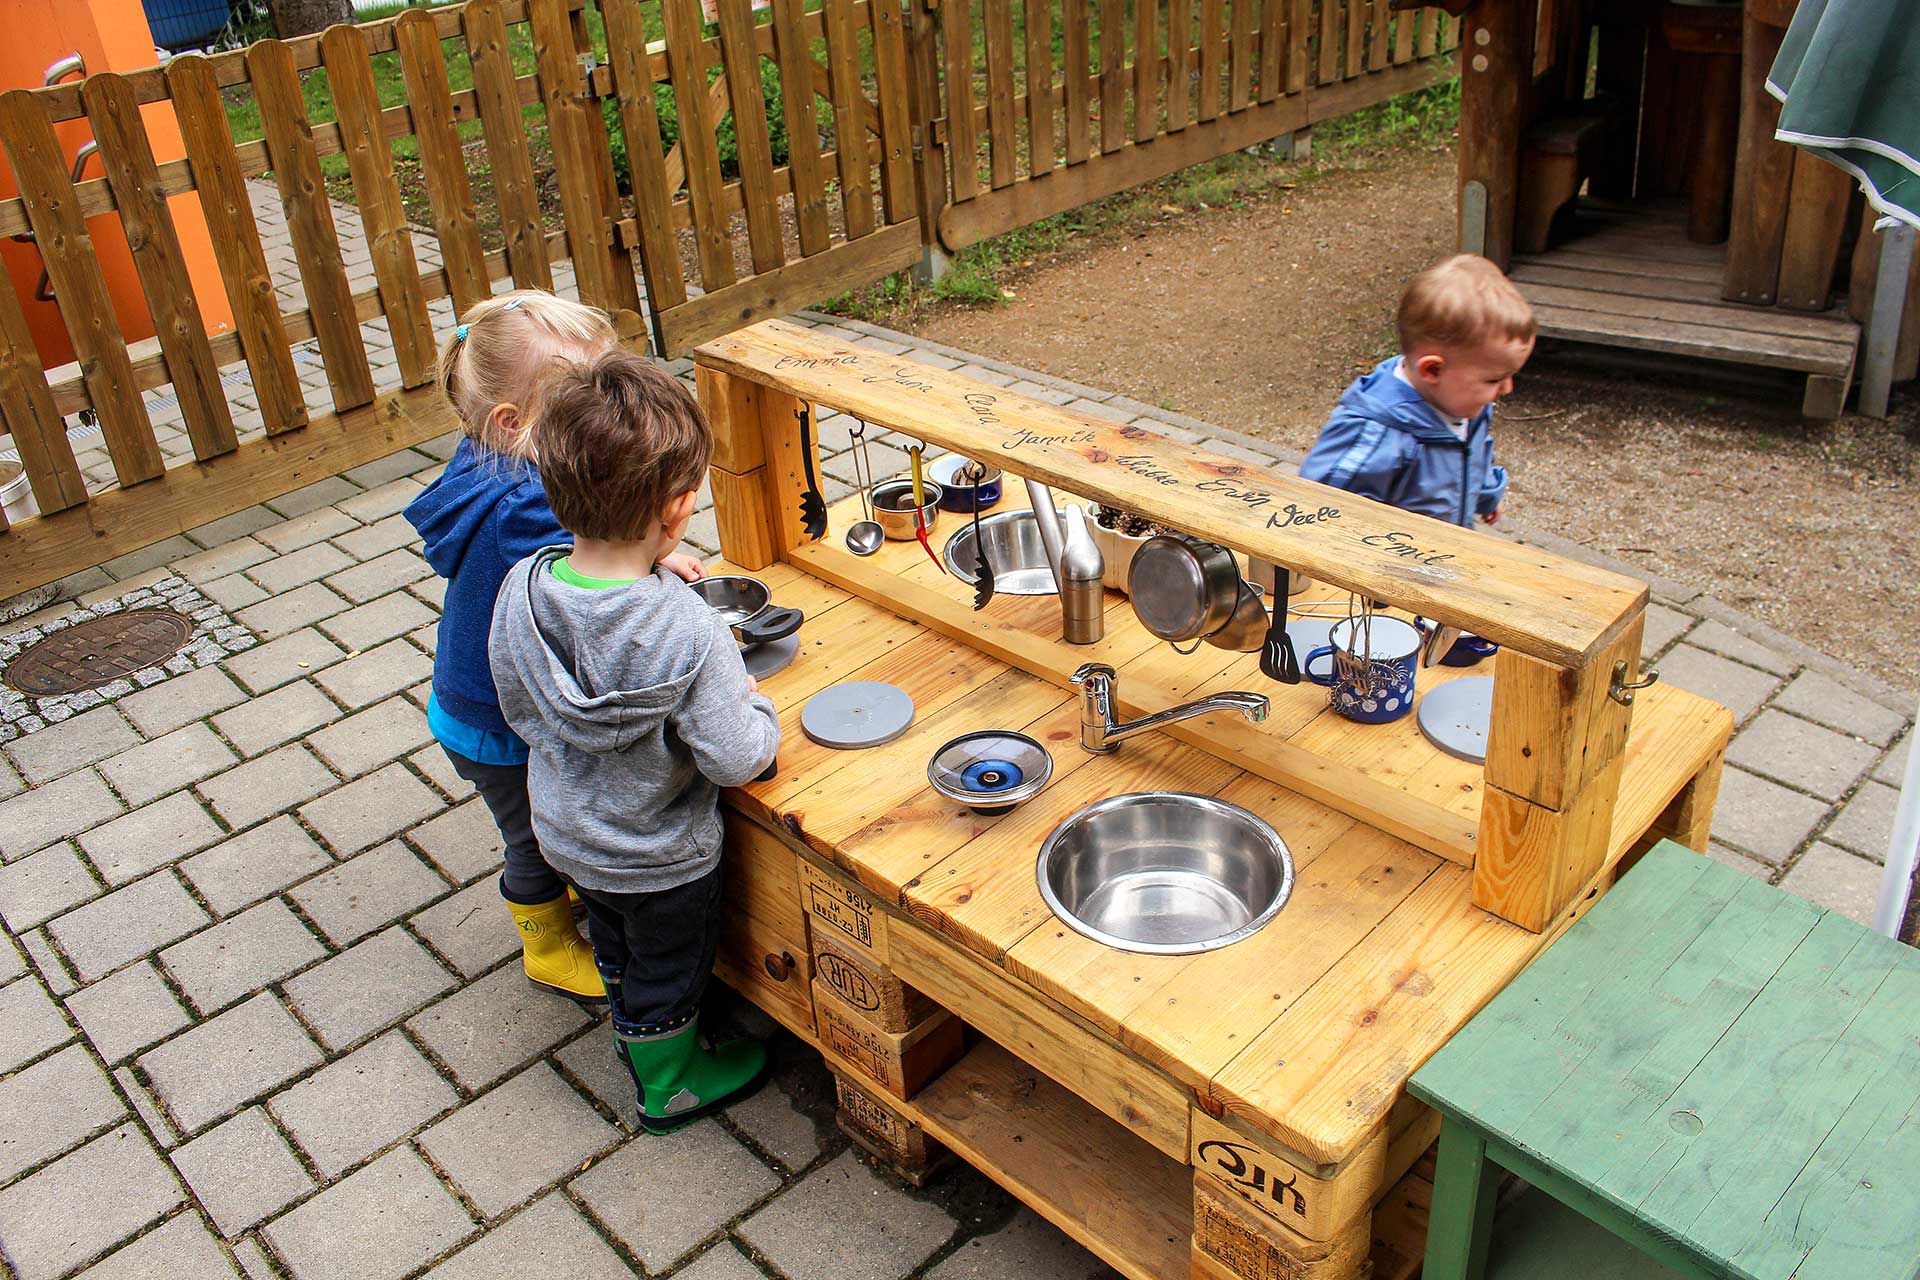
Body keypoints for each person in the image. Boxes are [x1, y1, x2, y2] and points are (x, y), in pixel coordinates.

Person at [489, 350, 781, 1133]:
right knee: (670, 967)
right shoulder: (687, 627)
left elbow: (520, 703)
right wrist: (756, 709)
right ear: (679, 507)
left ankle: (630, 1025)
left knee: (614, 942)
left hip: (568, 832)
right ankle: (670, 1081)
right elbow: (734, 756)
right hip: (660, 857)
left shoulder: (524, 585)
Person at [404, 291, 708, 1006]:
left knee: (543, 822)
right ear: (516, 422)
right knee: (533, 837)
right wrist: (653, 563)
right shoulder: (530, 500)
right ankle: (545, 945)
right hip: (494, 720)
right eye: (582, 397)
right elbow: (585, 577)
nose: (604, 408)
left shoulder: (491, 455)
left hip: (475, 697)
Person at [1300, 254, 1535, 527]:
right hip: (1392, 560)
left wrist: (1487, 493)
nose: (1507, 388)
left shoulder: (1466, 406)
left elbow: (1473, 452)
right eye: (1494, 379)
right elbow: (1315, 510)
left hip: (1445, 547)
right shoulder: (1376, 436)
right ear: (1433, 370)